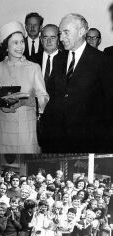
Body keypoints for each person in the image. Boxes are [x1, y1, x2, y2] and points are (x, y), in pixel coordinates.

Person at [42, 13, 113, 152]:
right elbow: (51, 96)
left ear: (81, 32)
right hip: (58, 141)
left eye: (66, 32)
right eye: (60, 33)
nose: (61, 38)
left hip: (89, 140)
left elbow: (109, 106)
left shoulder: (102, 61)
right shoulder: (58, 59)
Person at [0, 21, 49, 153]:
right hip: (2, 130)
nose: (20, 46)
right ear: (6, 46)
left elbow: (44, 97)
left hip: (27, 130)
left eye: (22, 42)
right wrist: (0, 105)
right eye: (15, 43)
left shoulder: (34, 68)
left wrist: (25, 101)